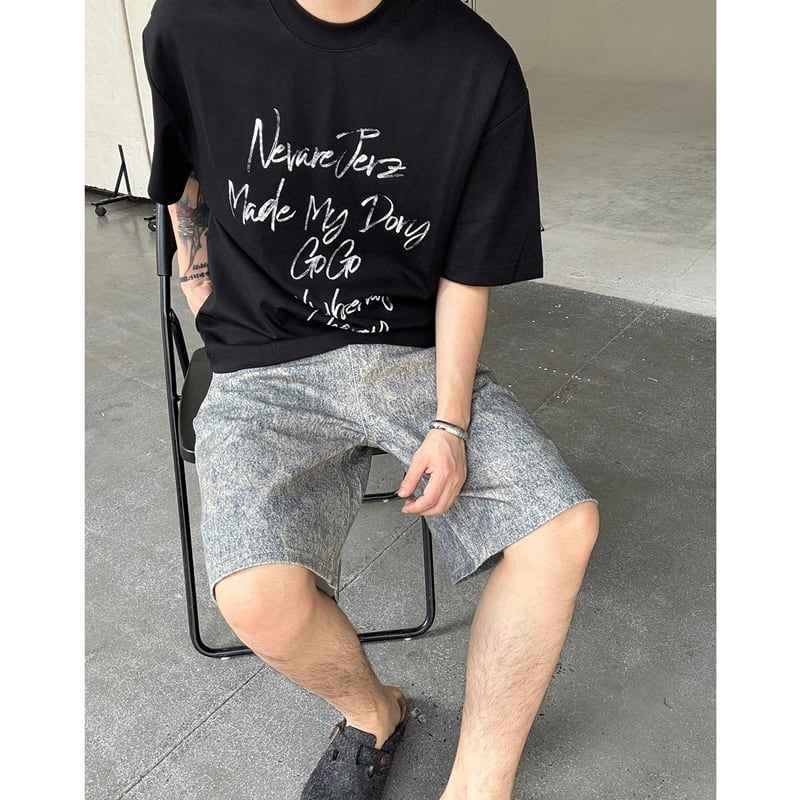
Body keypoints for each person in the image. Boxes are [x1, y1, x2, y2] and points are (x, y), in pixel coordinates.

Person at [143, 1, 599, 797]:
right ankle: (372, 713)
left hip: (412, 356)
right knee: (254, 596)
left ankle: (477, 785)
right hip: (261, 363)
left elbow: (467, 271)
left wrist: (449, 423)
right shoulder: (190, 21)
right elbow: (183, 178)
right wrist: (202, 288)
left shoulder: (473, 62)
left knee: (562, 530)